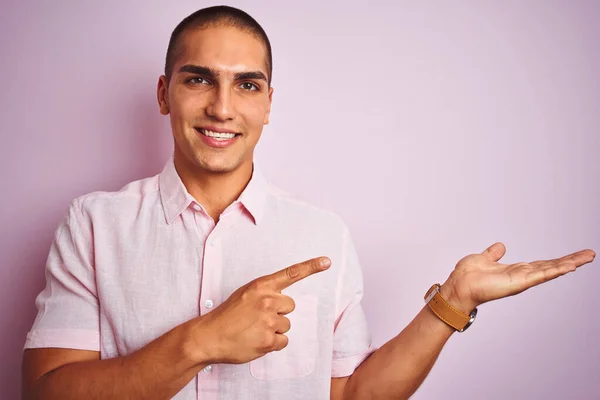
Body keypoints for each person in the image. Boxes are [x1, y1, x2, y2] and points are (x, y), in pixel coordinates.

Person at [21, 5, 595, 400]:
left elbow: (353, 394)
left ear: (268, 103)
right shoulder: (94, 225)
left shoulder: (322, 236)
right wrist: (202, 340)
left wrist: (450, 303)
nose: (223, 107)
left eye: (247, 85)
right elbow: (48, 391)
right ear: (164, 93)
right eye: (199, 79)